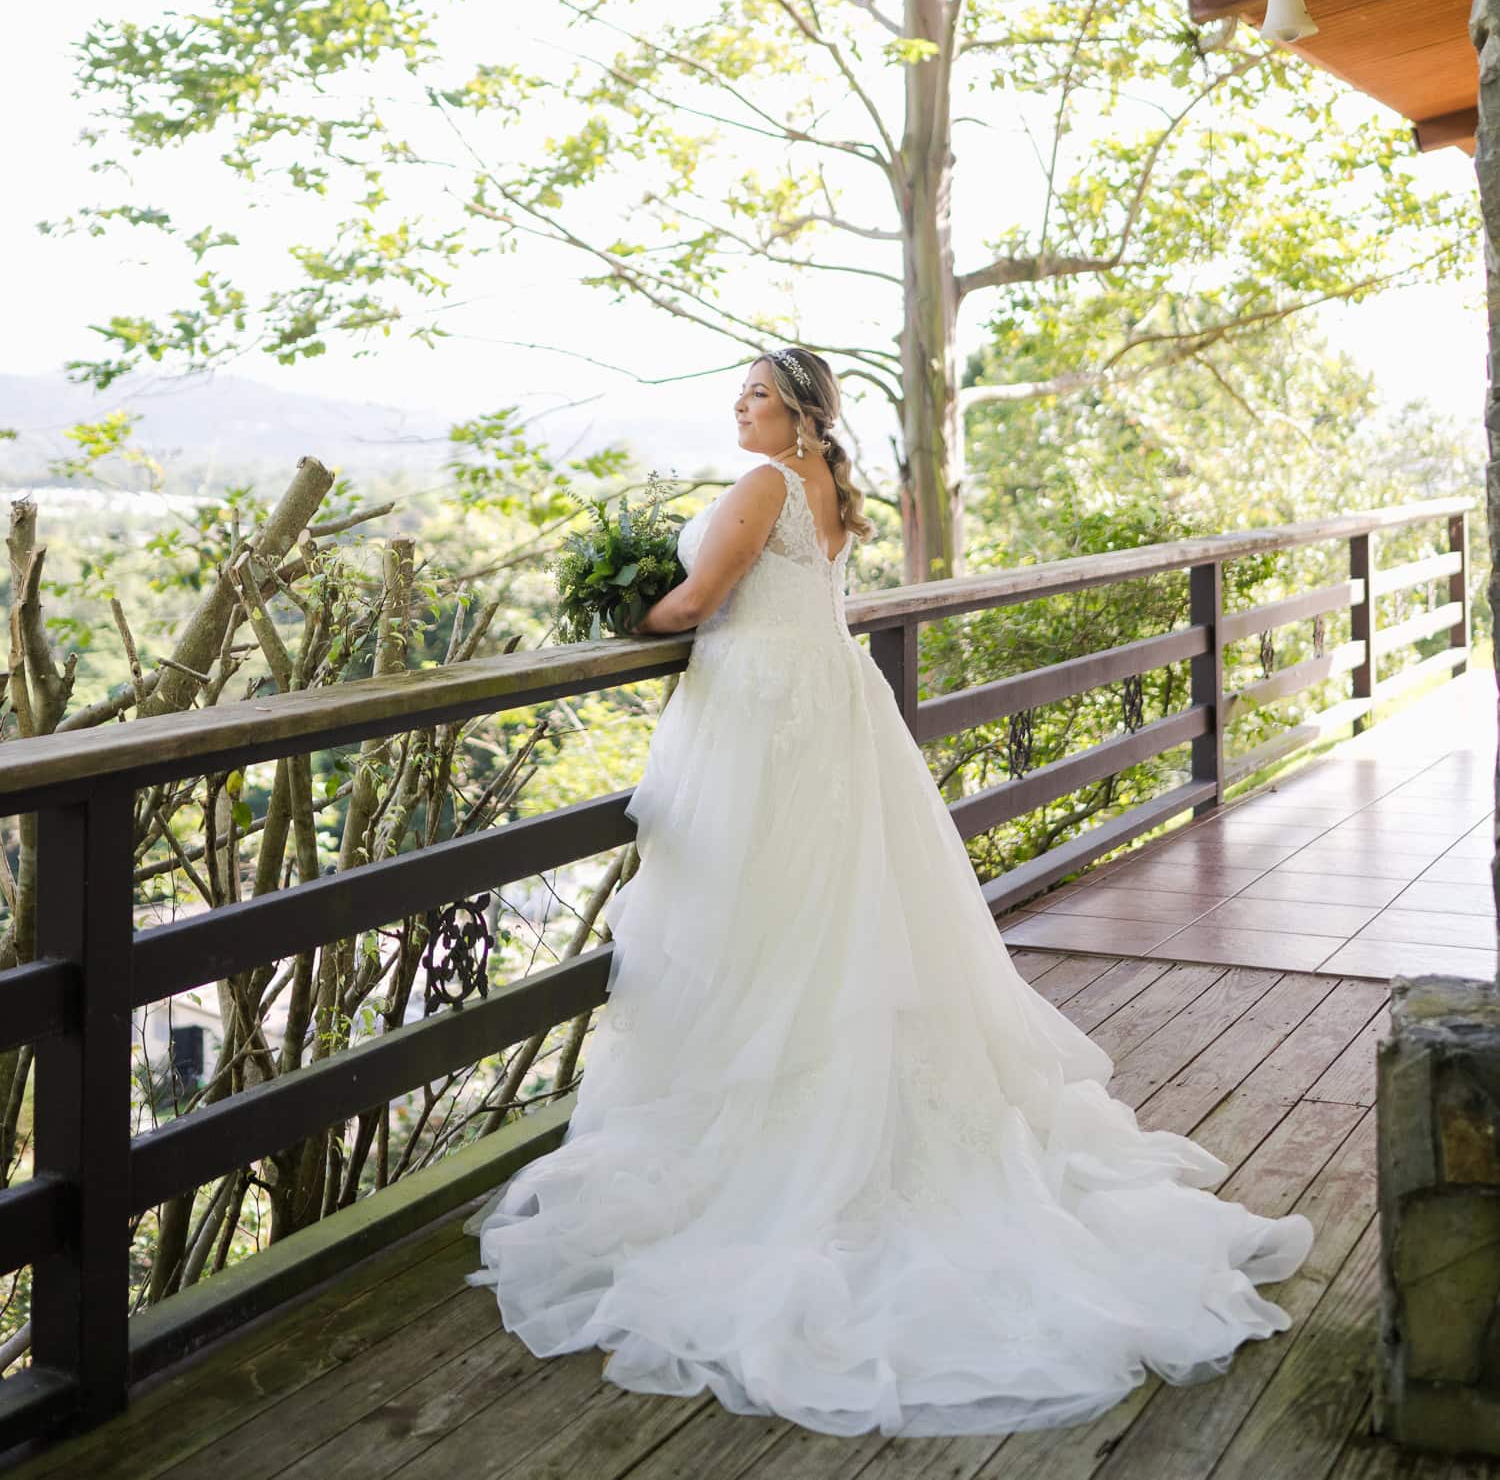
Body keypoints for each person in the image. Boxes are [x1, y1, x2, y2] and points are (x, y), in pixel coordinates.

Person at [465, 346, 1315, 1437]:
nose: (740, 407)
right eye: (738, 394)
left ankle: (788, 1139)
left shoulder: (766, 484)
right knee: (819, 909)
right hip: (826, 702)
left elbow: (696, 601)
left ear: (801, 413)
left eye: (757, 396)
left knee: (763, 912)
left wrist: (617, 618)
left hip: (766, 714)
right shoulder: (820, 487)